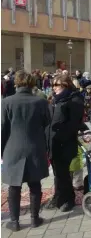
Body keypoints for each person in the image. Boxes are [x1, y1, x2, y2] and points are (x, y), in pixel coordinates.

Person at [1, 71, 51, 231]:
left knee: (14, 187)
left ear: (16, 83)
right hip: (35, 147)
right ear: (32, 84)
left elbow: (2, 128)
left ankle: (15, 222)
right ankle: (35, 219)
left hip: (12, 148)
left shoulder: (6, 102)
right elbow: (47, 126)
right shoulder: (41, 102)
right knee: (35, 184)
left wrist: (1, 151)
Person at [46, 74, 84, 212]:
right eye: (53, 85)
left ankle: (68, 199)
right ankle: (58, 196)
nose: (54, 88)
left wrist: (61, 134)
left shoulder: (74, 100)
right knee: (57, 173)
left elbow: (74, 124)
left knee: (64, 173)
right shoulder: (54, 100)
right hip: (52, 142)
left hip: (65, 143)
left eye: (57, 85)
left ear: (66, 85)